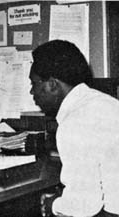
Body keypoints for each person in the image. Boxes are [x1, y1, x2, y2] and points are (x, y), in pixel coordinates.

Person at [29, 40, 119, 217]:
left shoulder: (75, 122)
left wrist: (51, 204)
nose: (32, 92)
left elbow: (84, 205)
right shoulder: (108, 103)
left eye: (34, 83)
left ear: (52, 84)